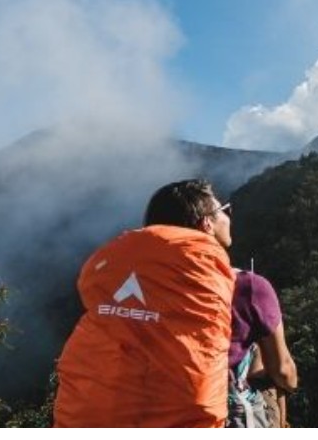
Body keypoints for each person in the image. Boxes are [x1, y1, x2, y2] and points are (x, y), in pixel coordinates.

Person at [53, 179, 236, 427]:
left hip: (87, 414)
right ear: (207, 223)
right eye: (225, 210)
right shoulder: (236, 284)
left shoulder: (115, 259)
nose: (228, 217)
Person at [228, 268, 298, 427]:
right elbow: (284, 373)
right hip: (230, 406)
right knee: (275, 384)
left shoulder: (164, 283)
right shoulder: (249, 287)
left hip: (171, 402)